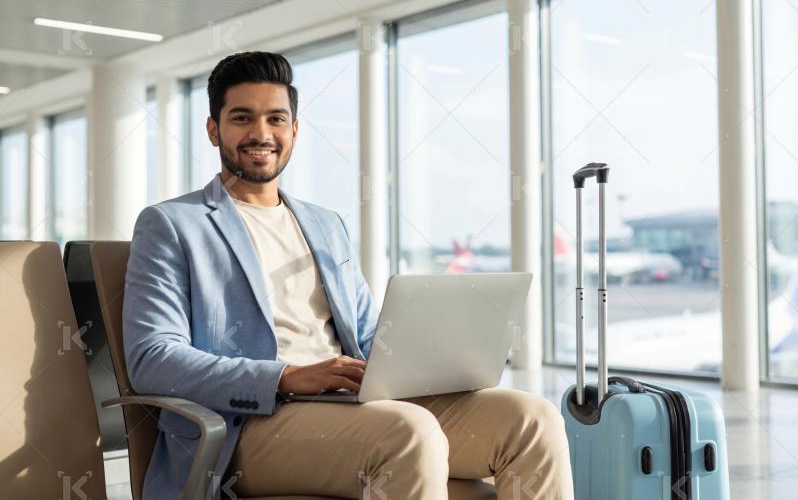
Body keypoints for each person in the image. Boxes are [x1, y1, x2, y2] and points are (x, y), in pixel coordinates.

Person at [123, 51, 574, 500]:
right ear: (213, 129)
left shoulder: (325, 224)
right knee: (408, 431)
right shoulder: (172, 224)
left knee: (531, 418)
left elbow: (366, 333)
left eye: (276, 119)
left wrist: (438, 359)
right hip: (250, 426)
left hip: (349, 405)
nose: (261, 133)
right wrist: (285, 376)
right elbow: (153, 358)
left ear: (294, 132)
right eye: (243, 118)